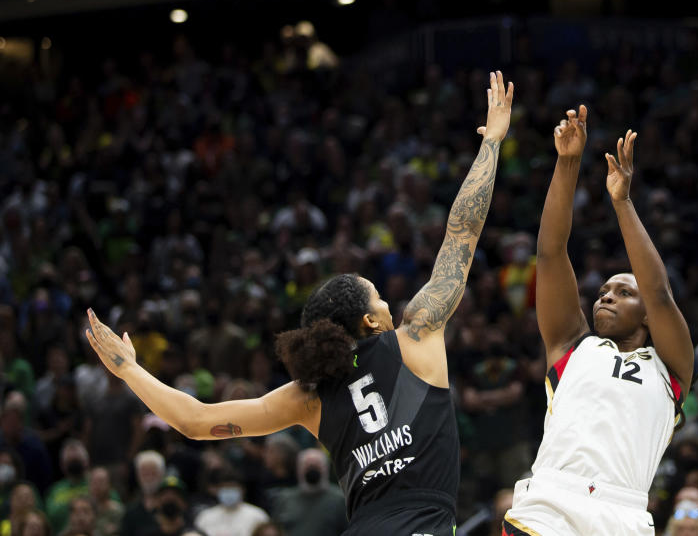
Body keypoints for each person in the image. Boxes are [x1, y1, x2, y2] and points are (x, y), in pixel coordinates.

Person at [85, 72, 515, 536]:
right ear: (370, 321)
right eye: (380, 297)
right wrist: (491, 141)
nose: (391, 304)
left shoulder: (310, 397)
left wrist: (129, 369)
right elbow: (461, 233)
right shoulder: (416, 336)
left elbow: (197, 421)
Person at [504, 110, 694, 536]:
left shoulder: (673, 369)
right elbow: (551, 253)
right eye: (604, 290)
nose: (606, 295)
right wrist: (568, 163)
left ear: (647, 316)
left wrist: (622, 202)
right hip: (549, 501)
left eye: (624, 292)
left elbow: (659, 292)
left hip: (622, 513)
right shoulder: (573, 346)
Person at [271, 449, 347, 536]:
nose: (311, 470)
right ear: (299, 469)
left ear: (326, 469)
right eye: (307, 466)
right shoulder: (284, 499)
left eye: (316, 466)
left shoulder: (340, 500)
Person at [194, 468, 268, 536]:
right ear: (217, 491)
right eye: (225, 488)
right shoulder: (206, 517)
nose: (228, 491)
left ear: (242, 490)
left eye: (232, 488)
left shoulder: (257, 516)